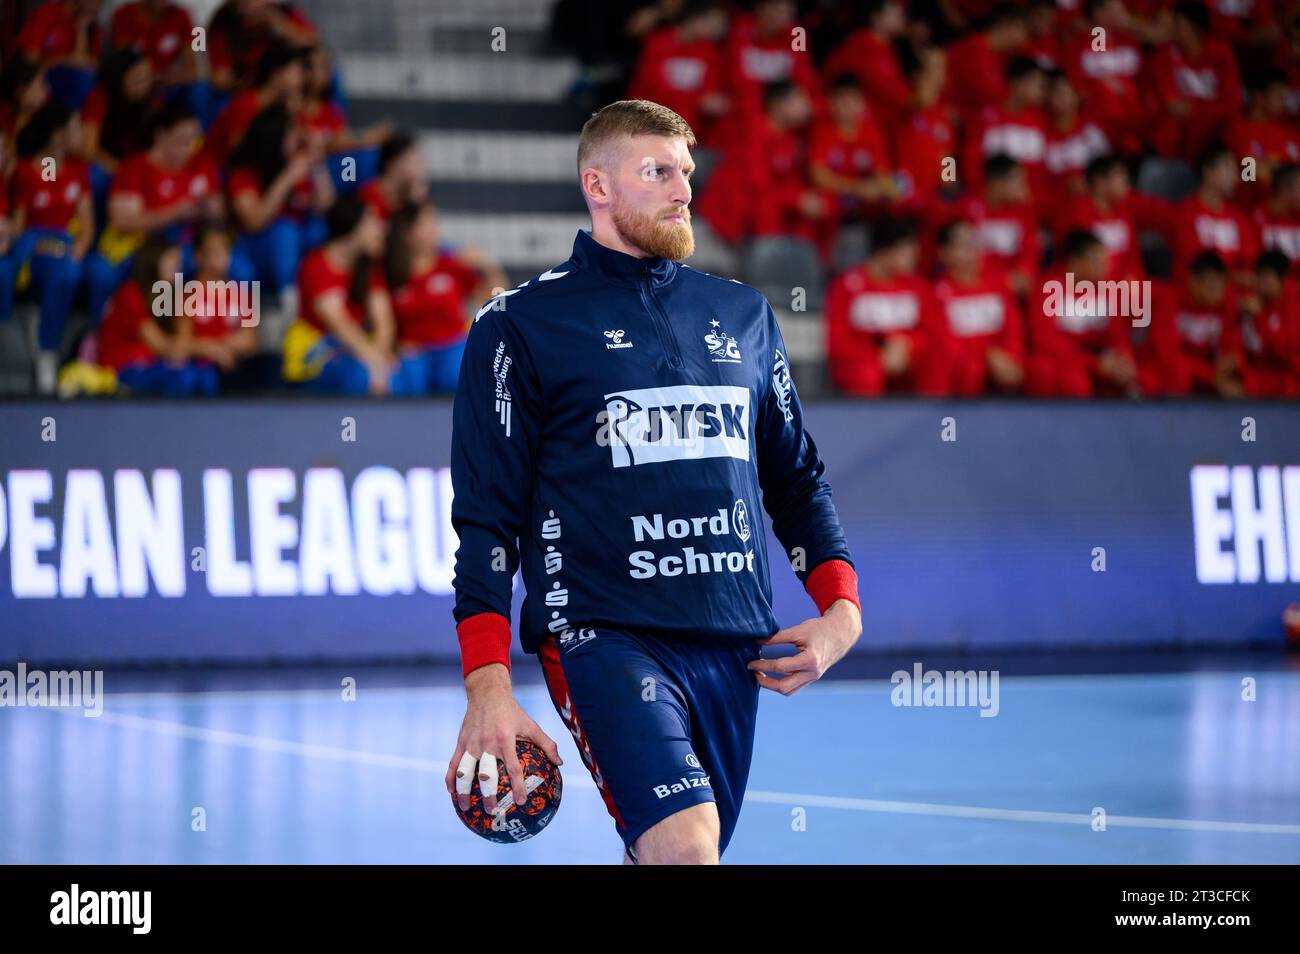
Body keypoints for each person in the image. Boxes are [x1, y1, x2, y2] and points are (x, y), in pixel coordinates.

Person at [446, 100, 860, 865]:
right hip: (603, 634)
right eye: (657, 171)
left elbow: (797, 481)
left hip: (734, 643)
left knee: (674, 857)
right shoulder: (518, 325)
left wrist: (841, 613)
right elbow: (485, 522)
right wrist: (488, 685)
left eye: (687, 173)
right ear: (597, 186)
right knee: (685, 851)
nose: (683, 190)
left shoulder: (743, 315)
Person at [280, 192, 399, 394]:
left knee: (403, 375)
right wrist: (374, 362)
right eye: (373, 223)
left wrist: (379, 359)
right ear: (354, 228)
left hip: (354, 351)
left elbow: (384, 323)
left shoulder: (368, 269)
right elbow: (338, 324)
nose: (381, 230)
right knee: (358, 376)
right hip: (317, 352)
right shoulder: (316, 265)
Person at [384, 201, 504, 393]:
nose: (436, 229)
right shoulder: (390, 274)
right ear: (409, 233)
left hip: (451, 350)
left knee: (460, 370)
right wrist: (394, 348)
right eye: (428, 223)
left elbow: (499, 305)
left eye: (435, 222)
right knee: (405, 378)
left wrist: (490, 268)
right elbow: (382, 323)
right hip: (413, 356)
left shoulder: (450, 265)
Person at [95, 236, 218, 395]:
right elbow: (162, 346)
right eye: (172, 260)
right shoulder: (131, 294)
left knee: (207, 377)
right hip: (124, 369)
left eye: (179, 262)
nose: (178, 267)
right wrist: (208, 348)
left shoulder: (171, 296)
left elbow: (180, 347)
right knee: (183, 378)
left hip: (157, 366)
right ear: (155, 260)